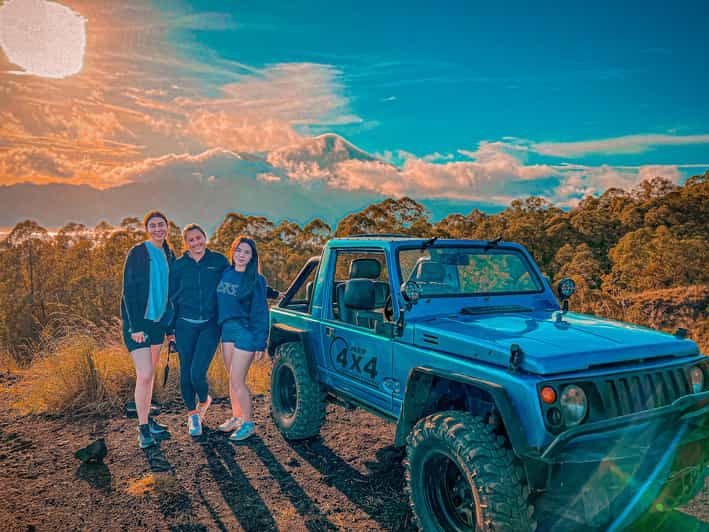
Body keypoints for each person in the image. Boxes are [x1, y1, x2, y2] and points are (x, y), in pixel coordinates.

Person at [121, 210, 175, 449]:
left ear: (167, 227)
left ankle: (148, 420)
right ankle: (142, 429)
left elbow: (171, 294)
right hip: (138, 326)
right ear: (147, 229)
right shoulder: (138, 253)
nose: (157, 229)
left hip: (157, 325)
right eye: (152, 225)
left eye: (161, 225)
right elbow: (128, 291)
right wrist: (135, 326)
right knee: (143, 375)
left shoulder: (169, 253)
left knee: (150, 374)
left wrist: (170, 327)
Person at [169, 224, 229, 437]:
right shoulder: (179, 266)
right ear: (186, 243)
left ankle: (204, 400)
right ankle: (193, 414)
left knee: (197, 373)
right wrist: (170, 329)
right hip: (184, 325)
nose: (196, 243)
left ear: (205, 237)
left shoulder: (219, 262)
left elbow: (236, 283)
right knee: (185, 375)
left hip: (210, 325)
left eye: (199, 238)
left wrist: (267, 292)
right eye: (191, 240)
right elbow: (171, 298)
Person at [217, 236, 269, 441]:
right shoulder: (226, 273)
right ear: (233, 252)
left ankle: (248, 424)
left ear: (252, 257)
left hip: (245, 332)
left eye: (246, 252)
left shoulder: (256, 280)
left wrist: (260, 342)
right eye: (238, 250)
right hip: (226, 330)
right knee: (232, 378)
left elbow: (261, 313)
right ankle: (236, 417)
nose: (241, 255)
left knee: (238, 380)